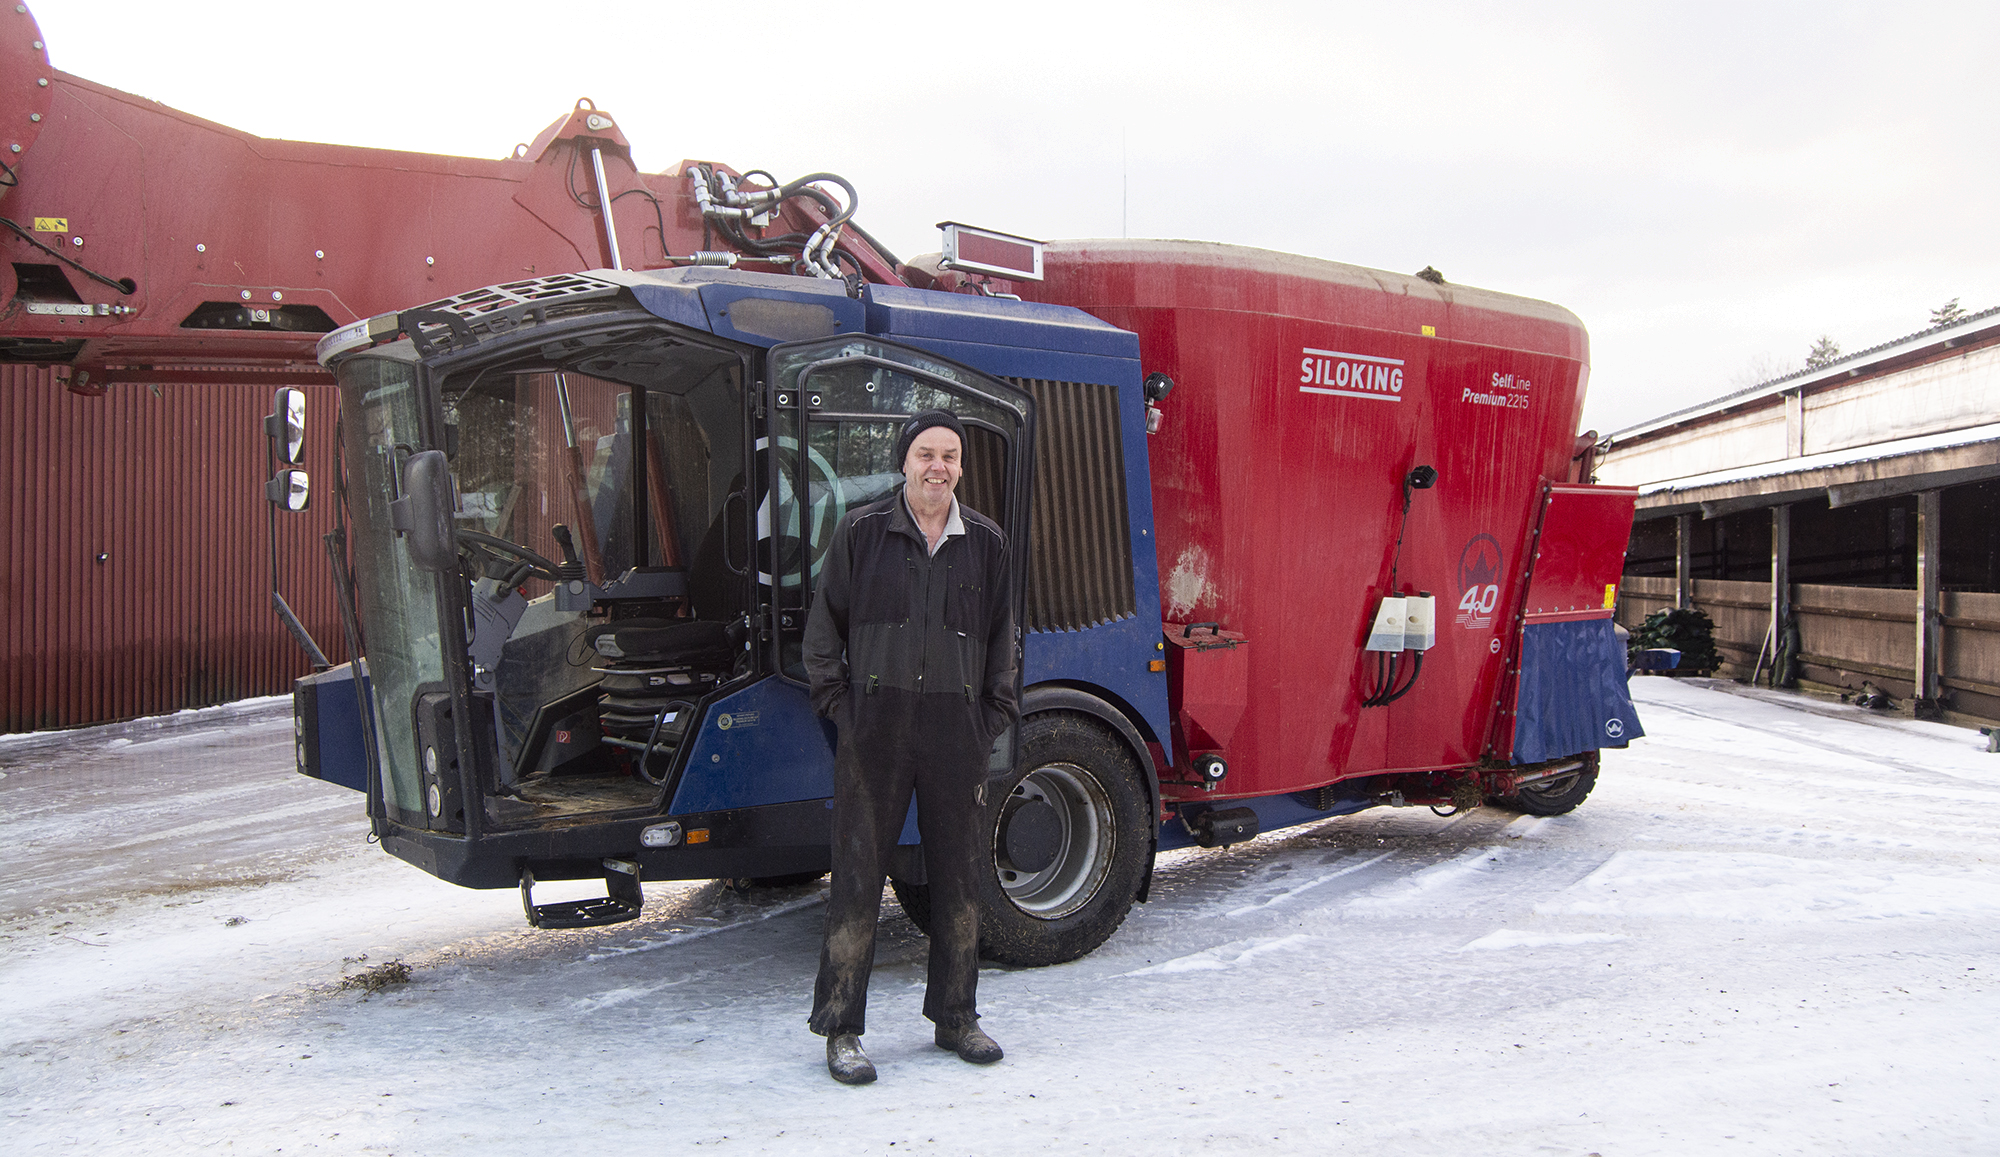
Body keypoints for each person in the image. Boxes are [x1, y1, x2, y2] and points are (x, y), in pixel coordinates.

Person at [802, 408, 1019, 1085]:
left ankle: (956, 1017)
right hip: (878, 730)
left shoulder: (987, 542)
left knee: (960, 875)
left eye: (950, 455)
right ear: (904, 462)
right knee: (859, 879)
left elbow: (1003, 642)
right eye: (927, 453)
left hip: (956, 730)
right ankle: (841, 1027)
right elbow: (821, 635)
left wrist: (989, 719)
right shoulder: (863, 532)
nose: (939, 466)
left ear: (960, 466)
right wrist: (846, 711)